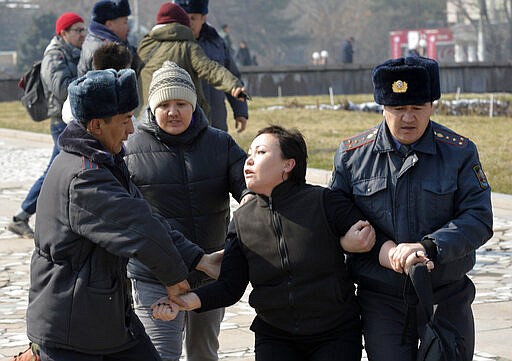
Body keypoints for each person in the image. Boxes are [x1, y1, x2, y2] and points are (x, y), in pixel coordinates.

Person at [26, 68, 221, 360]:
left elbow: (145, 216)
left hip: (106, 320)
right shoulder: (85, 177)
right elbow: (139, 230)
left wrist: (198, 258)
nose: (132, 129)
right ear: (95, 125)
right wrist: (175, 278)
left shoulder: (103, 161)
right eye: (125, 120)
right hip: (72, 328)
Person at [154, 125, 380, 361]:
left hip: (335, 333)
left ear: (288, 164)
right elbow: (230, 286)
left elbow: (364, 232)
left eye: (260, 153)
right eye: (249, 153)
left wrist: (344, 242)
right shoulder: (242, 219)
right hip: (275, 335)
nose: (249, 161)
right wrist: (182, 302)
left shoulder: (324, 201)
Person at [329, 56, 493, 361]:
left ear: (432, 105)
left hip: (446, 293)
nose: (408, 118)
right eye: (398, 109)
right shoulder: (352, 157)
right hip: (382, 297)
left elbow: (479, 218)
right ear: (382, 107)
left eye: (417, 108)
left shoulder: (459, 153)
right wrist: (374, 246)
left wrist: (430, 247)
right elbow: (335, 217)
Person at [124, 61, 248, 361]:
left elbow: (247, 185)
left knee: (203, 352)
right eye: (164, 104)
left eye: (181, 103)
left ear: (193, 105)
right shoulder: (129, 149)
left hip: (209, 272)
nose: (173, 112)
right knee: (161, 354)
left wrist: (250, 204)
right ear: (152, 108)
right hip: (154, 274)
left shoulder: (220, 143)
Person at [7, 12, 85, 238]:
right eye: (77, 30)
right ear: (63, 33)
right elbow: (62, 89)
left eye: (83, 29)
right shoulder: (54, 57)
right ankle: (21, 216)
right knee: (54, 171)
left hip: (71, 121)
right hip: (61, 123)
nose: (82, 34)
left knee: (60, 171)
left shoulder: (75, 53)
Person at [137, 2, 246, 118]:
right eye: (188, 18)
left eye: (193, 18)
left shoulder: (145, 45)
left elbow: (133, 71)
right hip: (183, 119)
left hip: (147, 116)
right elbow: (210, 69)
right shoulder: (188, 46)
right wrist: (234, 85)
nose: (191, 23)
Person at [174, 0, 249, 133]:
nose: (189, 22)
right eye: (185, 17)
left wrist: (240, 111)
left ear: (203, 18)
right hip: (186, 122)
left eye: (193, 18)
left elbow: (232, 76)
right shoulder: (173, 46)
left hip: (216, 120)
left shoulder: (216, 43)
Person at [62, 42, 133, 124]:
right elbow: (132, 132)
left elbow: (67, 115)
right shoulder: (117, 102)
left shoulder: (79, 91)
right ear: (121, 73)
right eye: (128, 69)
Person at [78, 0, 142, 77]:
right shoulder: (104, 50)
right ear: (109, 25)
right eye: (125, 22)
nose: (128, 28)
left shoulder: (99, 41)